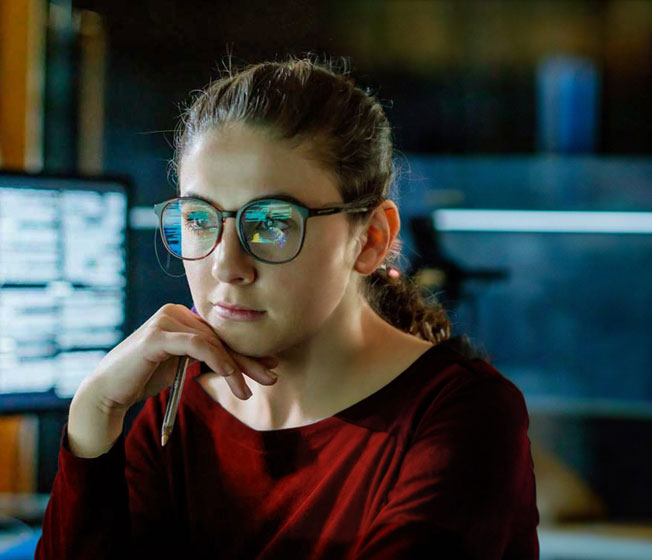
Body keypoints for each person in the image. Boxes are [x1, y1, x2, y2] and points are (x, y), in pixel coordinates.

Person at [35, 55, 539, 559]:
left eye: (271, 224)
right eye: (199, 219)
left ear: (371, 239)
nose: (226, 265)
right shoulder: (175, 415)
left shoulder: (463, 416)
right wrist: (94, 411)